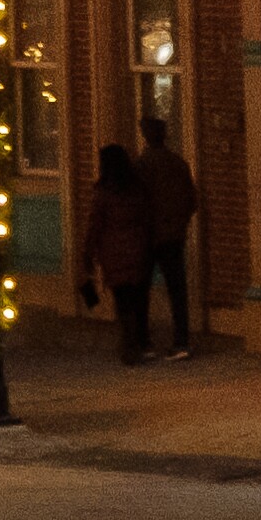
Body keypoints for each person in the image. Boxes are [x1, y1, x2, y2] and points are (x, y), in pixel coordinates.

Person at [82, 142, 160, 365]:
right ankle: (142, 341)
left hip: (114, 254)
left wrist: (88, 254)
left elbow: (95, 226)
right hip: (138, 250)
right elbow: (147, 217)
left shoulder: (104, 193)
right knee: (139, 299)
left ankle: (129, 344)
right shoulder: (138, 189)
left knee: (123, 300)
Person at [135, 124, 203, 358]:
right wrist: (179, 223)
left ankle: (144, 343)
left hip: (150, 236)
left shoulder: (143, 165)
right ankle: (181, 341)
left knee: (141, 290)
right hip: (174, 236)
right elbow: (192, 200)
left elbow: (137, 201)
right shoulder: (178, 164)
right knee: (177, 290)